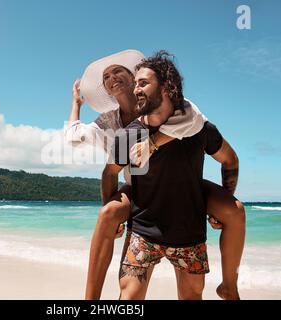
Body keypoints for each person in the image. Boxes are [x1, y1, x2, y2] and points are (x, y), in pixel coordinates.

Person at [65, 50, 245, 300]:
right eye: (135, 83)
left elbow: (228, 157)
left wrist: (219, 207)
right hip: (143, 219)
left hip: (188, 229)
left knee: (234, 211)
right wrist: (112, 210)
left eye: (142, 83)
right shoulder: (125, 132)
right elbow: (108, 171)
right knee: (128, 296)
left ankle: (229, 286)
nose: (136, 89)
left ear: (166, 88)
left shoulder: (195, 122)